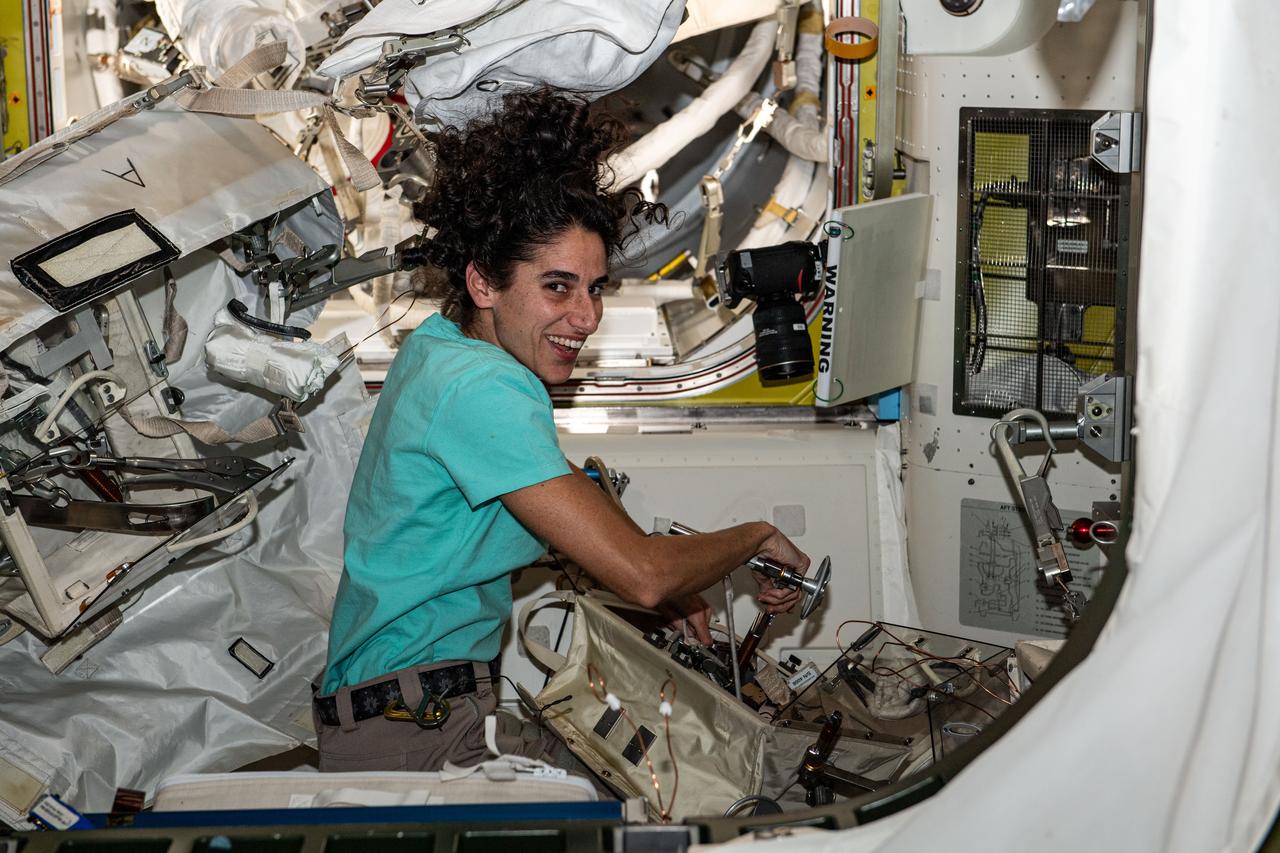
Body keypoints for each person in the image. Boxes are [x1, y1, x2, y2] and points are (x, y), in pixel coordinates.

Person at [314, 87, 811, 774]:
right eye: (557, 287)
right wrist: (752, 535)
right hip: (417, 731)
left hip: (404, 710)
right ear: (484, 281)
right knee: (678, 788)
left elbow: (552, 506)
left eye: (596, 288)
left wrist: (665, 577)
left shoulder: (442, 349)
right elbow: (640, 575)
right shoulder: (483, 387)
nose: (585, 317)